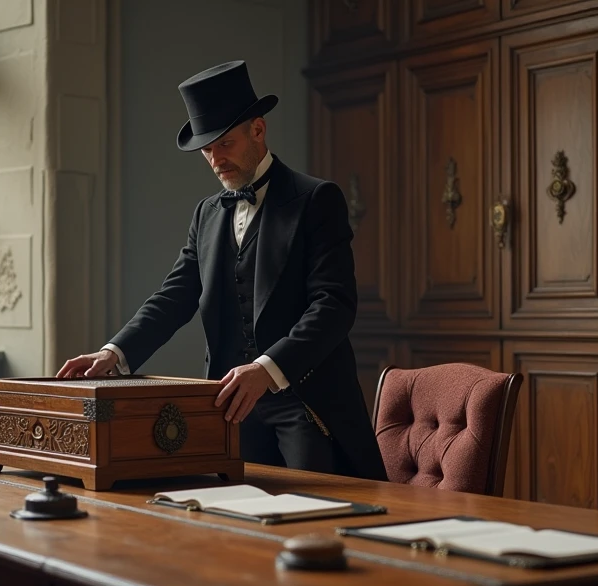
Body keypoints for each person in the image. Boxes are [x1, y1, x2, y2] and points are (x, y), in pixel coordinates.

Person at [58, 60, 387, 481]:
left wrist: (266, 370)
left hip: (305, 402)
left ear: (258, 130)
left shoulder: (317, 199)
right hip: (229, 406)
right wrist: (114, 354)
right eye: (207, 150)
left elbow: (334, 306)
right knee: (231, 524)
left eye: (225, 144)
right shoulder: (207, 214)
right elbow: (174, 297)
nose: (216, 159)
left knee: (315, 523)